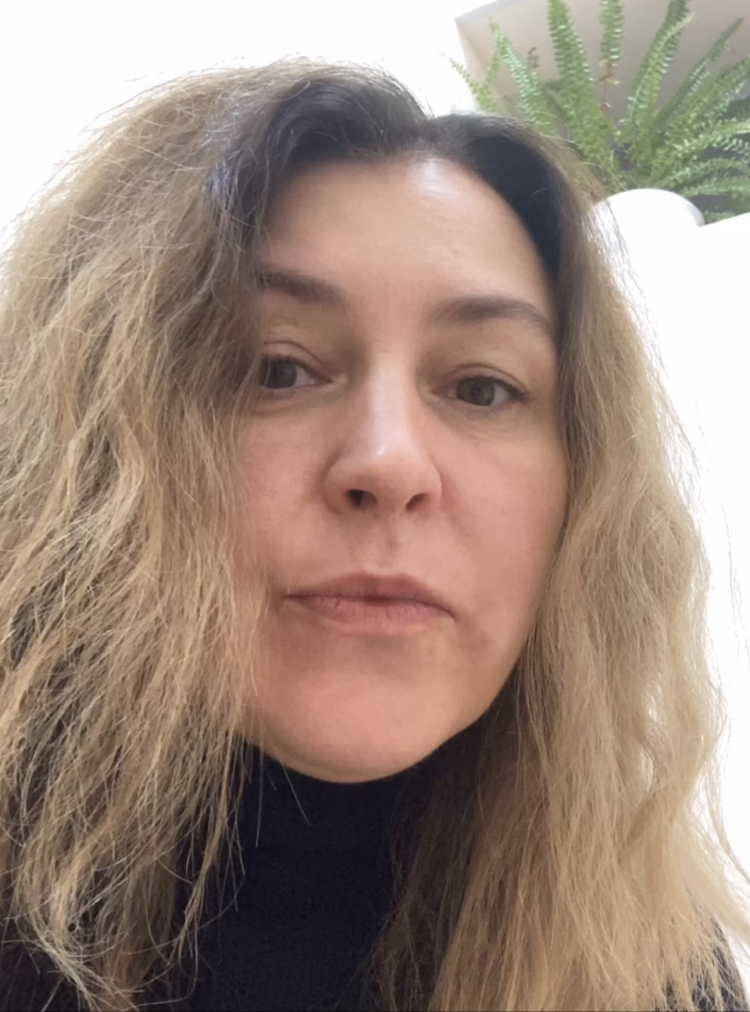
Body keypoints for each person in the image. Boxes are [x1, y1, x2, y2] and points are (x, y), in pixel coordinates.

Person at [0, 57, 748, 1012]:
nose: (390, 463)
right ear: (88, 453)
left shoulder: (647, 962)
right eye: (275, 369)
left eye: (481, 387)